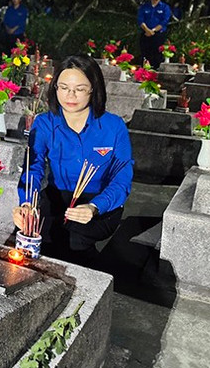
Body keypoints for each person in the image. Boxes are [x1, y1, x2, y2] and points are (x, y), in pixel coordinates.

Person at [12, 55, 133, 265]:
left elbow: (122, 177)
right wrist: (27, 202)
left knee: (75, 239)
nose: (71, 95)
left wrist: (95, 207)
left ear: (93, 89)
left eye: (79, 88)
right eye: (64, 87)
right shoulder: (44, 123)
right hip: (58, 195)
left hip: (99, 201)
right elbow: (33, 167)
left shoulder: (113, 126)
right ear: (55, 88)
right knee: (28, 232)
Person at [137, 0, 172, 69]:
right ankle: (144, 72)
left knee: (157, 55)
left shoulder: (165, 7)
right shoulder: (144, 6)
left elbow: (165, 20)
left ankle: (156, 72)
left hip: (158, 34)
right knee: (145, 54)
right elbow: (140, 19)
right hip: (145, 33)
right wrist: (147, 30)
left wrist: (154, 30)